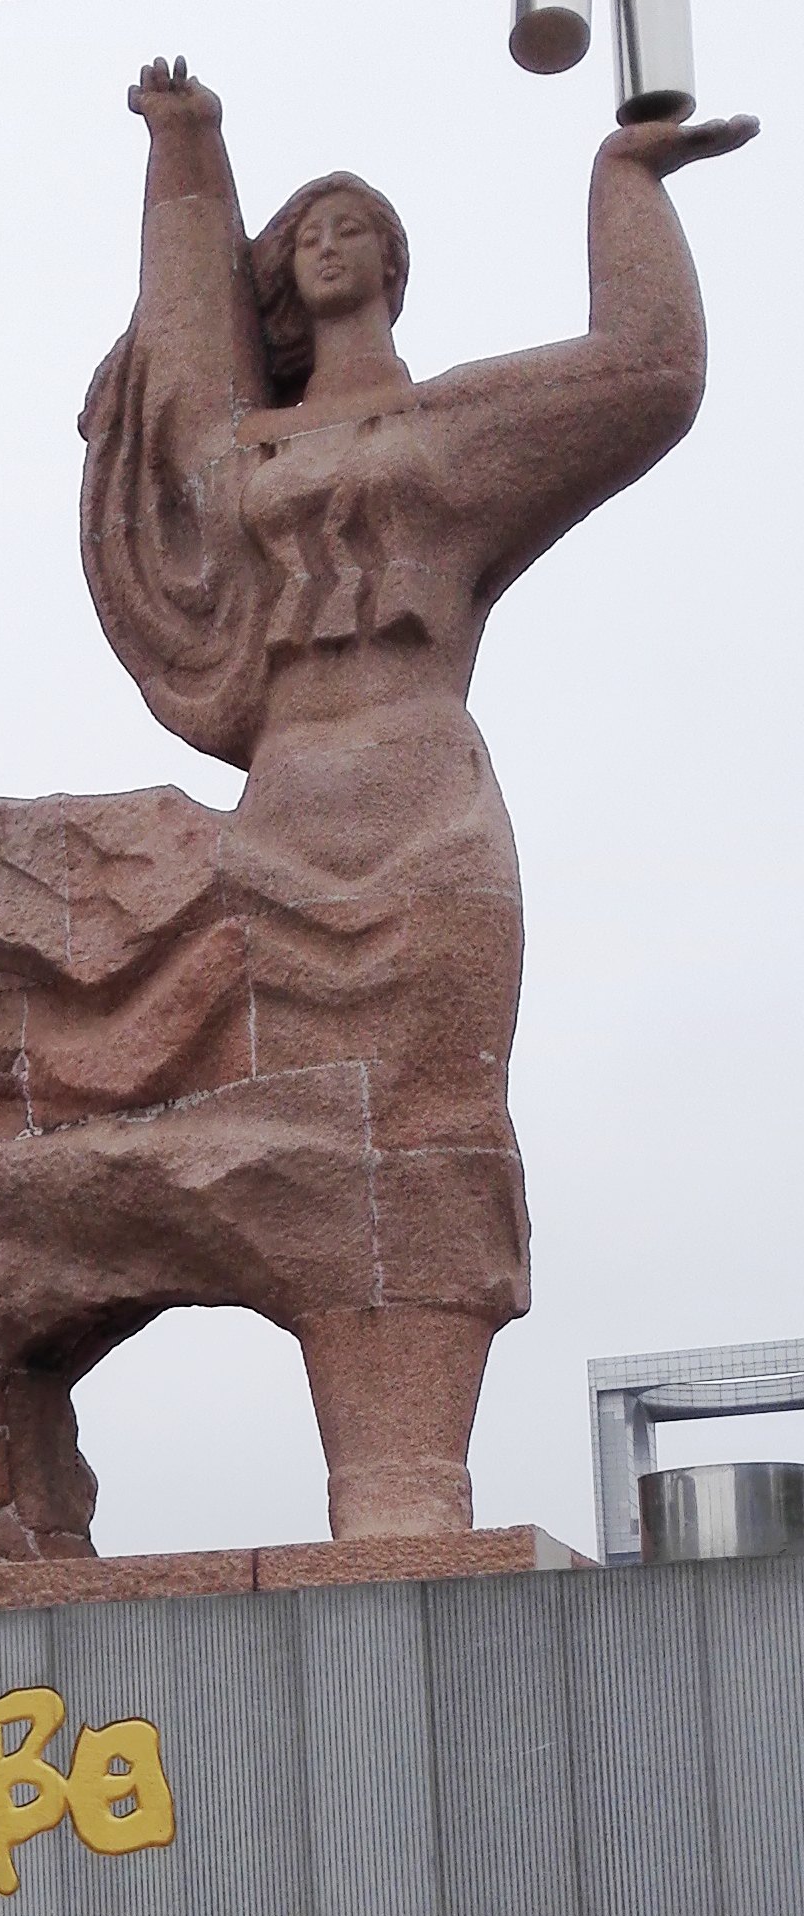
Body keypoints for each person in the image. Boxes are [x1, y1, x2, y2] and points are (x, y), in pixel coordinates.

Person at [78, 58, 756, 1535]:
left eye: (357, 224)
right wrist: (188, 148)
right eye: (306, 230)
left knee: (431, 1140)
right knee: (294, 1162)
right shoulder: (243, 454)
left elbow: (647, 372)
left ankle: (406, 1506)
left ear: (395, 263)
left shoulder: (454, 431)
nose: (329, 239)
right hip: (279, 824)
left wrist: (624, 186)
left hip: (427, 818)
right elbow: (185, 366)